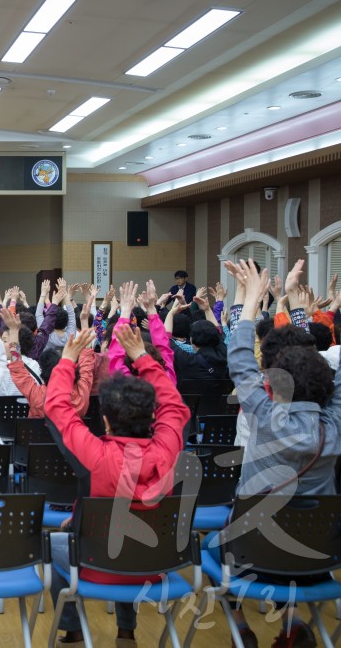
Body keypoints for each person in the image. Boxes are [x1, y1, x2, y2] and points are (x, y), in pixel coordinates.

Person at [215, 259, 341, 647]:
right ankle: (291, 620)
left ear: (272, 382)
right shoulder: (334, 428)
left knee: (213, 546)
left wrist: (250, 301)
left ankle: (239, 622)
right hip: (318, 558)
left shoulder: (266, 416)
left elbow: (239, 359)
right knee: (291, 550)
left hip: (251, 555)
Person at [44, 325, 192, 648]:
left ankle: (73, 632)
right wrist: (143, 358)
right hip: (156, 565)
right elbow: (175, 408)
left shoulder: (97, 456)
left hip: (98, 564)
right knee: (128, 535)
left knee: (52, 544)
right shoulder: (168, 450)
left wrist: (67, 361)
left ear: (106, 421)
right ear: (153, 418)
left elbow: (57, 408)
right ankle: (126, 633)